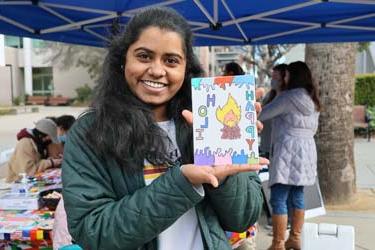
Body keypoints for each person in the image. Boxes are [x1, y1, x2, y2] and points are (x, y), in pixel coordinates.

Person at [62, 7, 268, 250]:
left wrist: (223, 174)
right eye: (144, 56)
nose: (157, 70)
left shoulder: (210, 122)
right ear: (123, 60)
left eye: (171, 61)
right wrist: (181, 184)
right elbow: (91, 231)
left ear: (185, 69)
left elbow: (243, 218)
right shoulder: (90, 133)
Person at [258, 61, 320, 250]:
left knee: (278, 196)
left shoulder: (288, 97)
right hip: (307, 150)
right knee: (297, 195)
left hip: (288, 149)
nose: (283, 78)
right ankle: (294, 238)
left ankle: (277, 243)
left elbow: (263, 114)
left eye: (286, 75)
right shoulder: (312, 99)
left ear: (292, 76)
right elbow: (314, 129)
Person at [6, 118, 62, 183]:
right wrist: (51, 162)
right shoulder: (25, 143)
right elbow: (28, 171)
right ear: (40, 135)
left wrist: (50, 160)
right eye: (47, 138)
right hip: (18, 183)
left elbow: (37, 161)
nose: (48, 141)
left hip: (32, 181)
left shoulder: (37, 142)